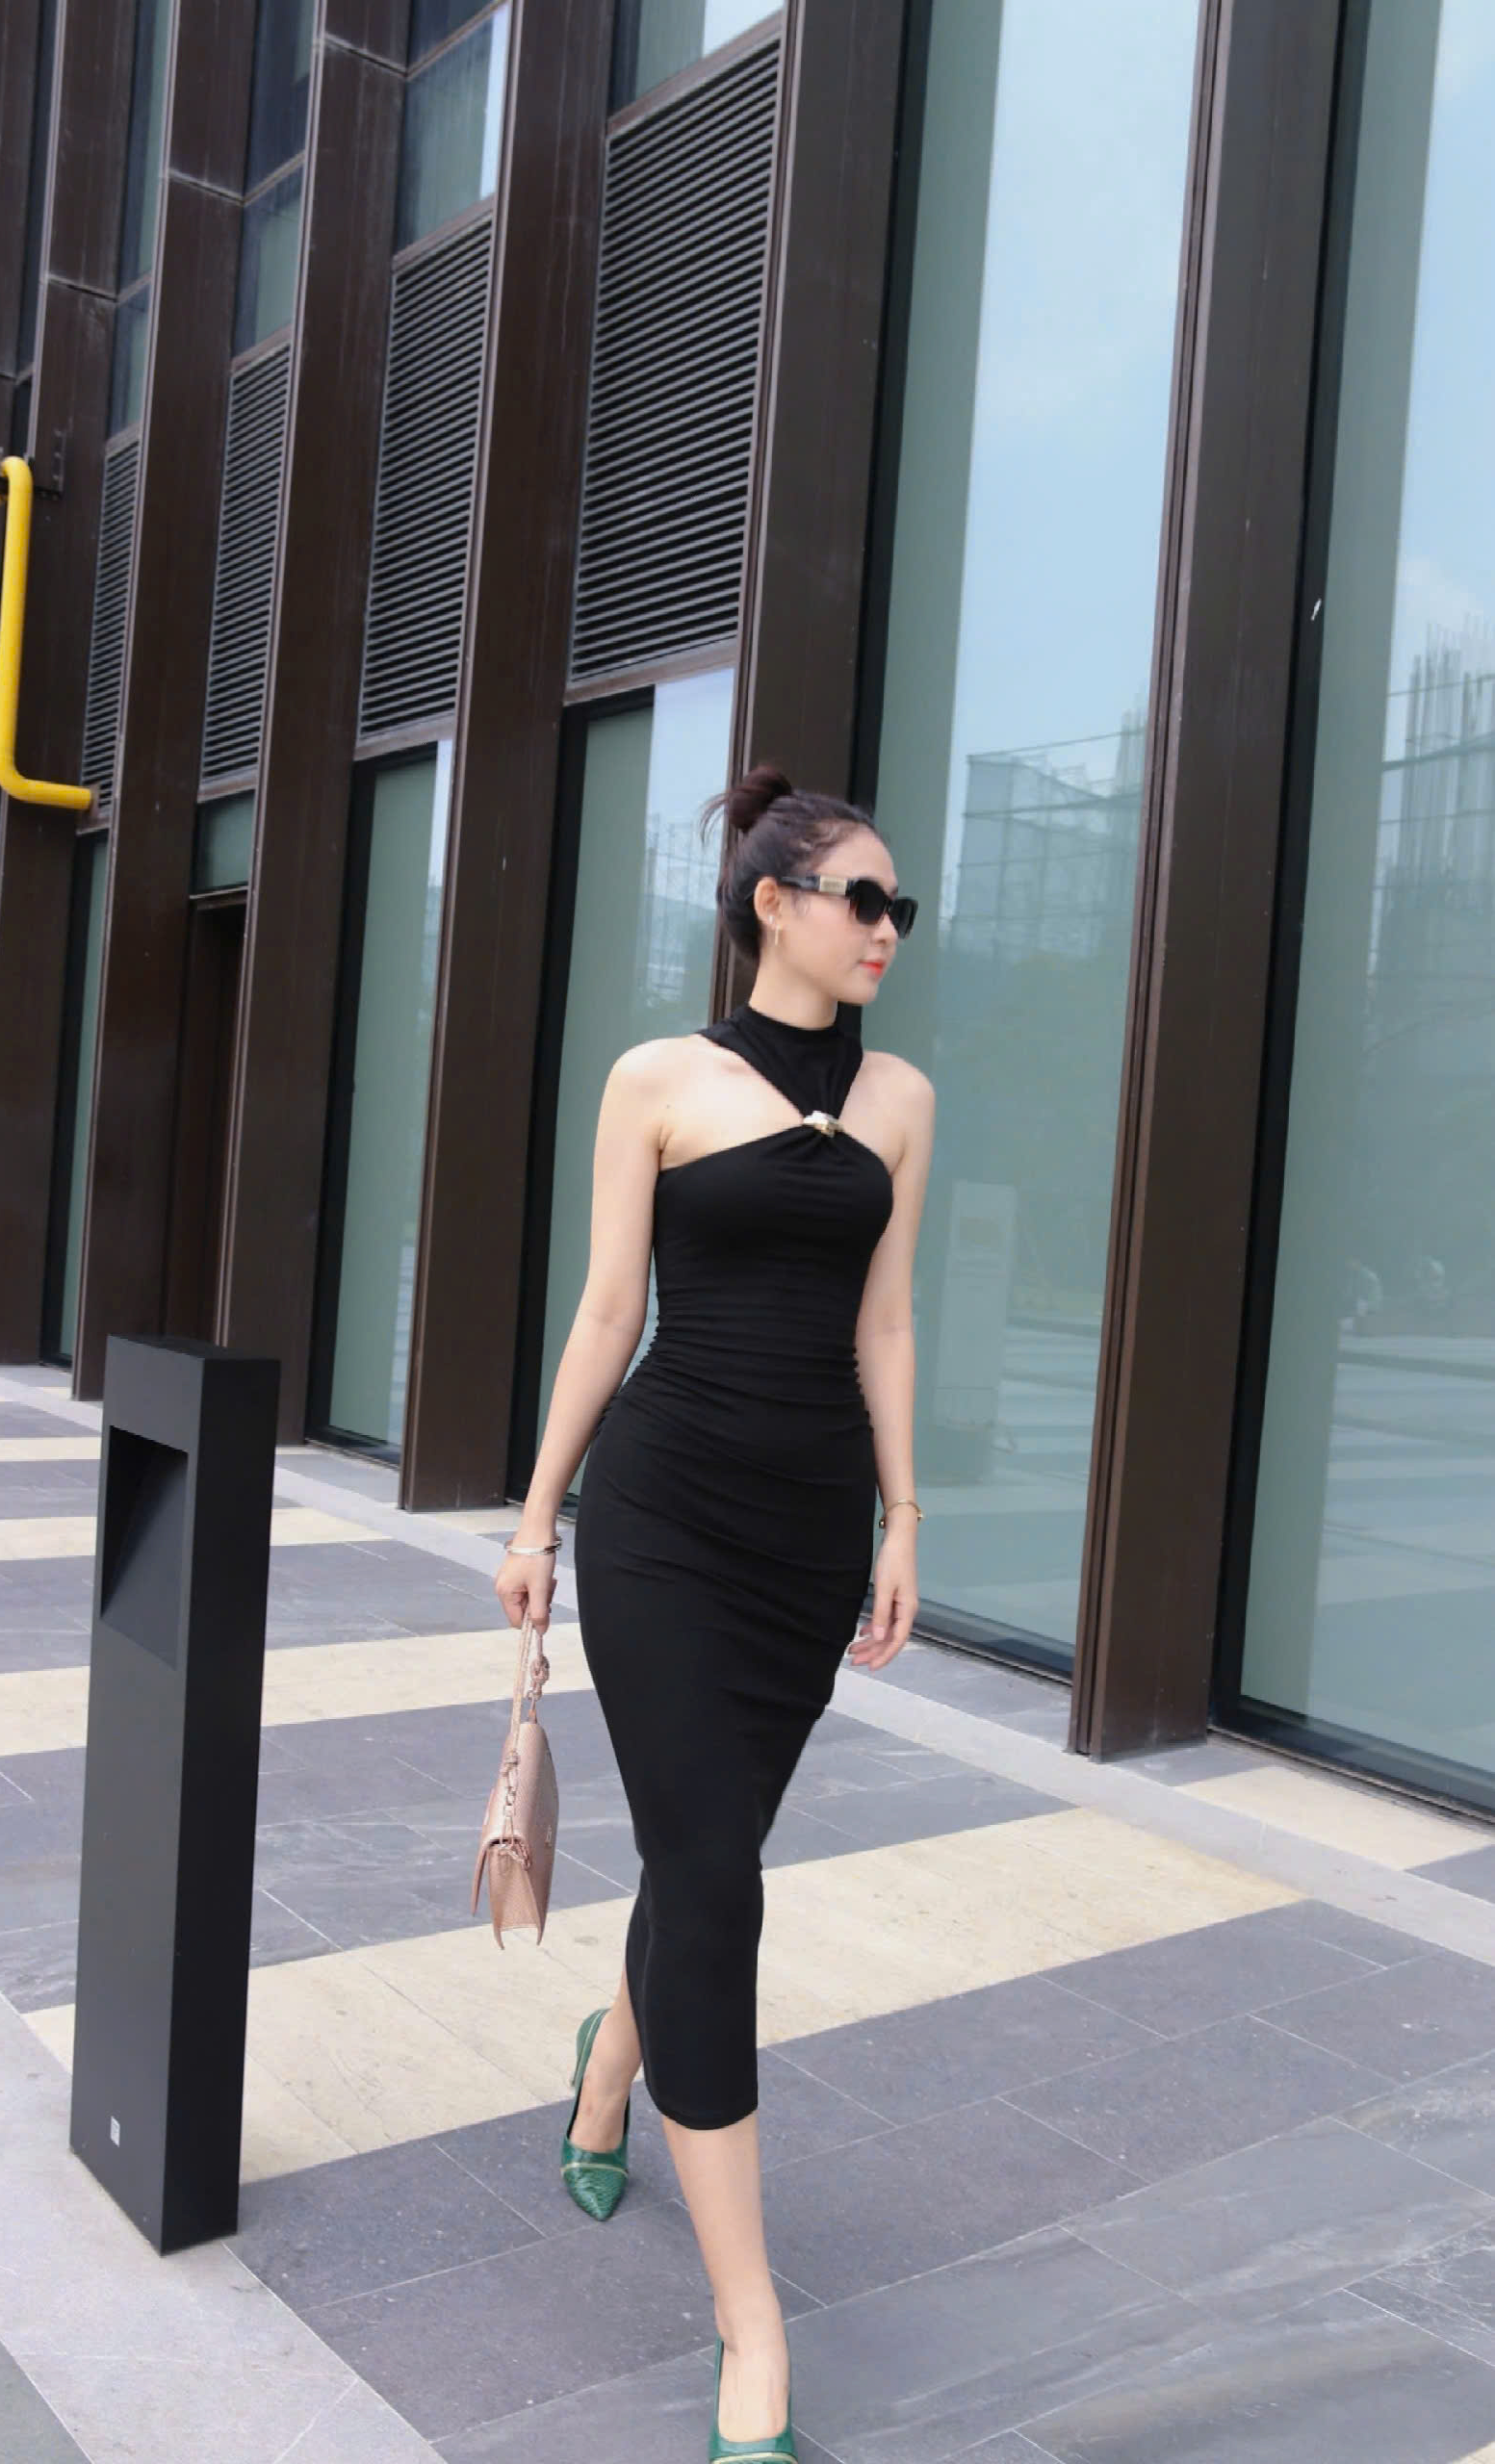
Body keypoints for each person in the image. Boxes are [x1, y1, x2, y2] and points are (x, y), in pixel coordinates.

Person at [493, 763, 933, 2461]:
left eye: (900, 909)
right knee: (719, 1885)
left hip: (809, 1538)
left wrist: (902, 1520)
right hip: (665, 1521)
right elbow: (610, 1310)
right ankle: (754, 2335)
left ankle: (612, 2063)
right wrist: (536, 1516)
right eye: (863, 900)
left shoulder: (901, 1100)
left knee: (706, 1856)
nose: (887, 930)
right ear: (774, 905)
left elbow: (884, 1322)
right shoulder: (659, 1079)